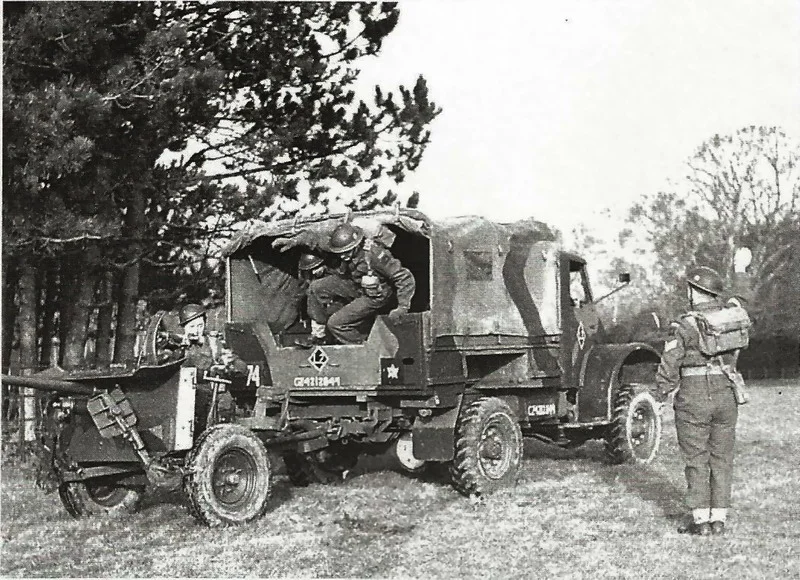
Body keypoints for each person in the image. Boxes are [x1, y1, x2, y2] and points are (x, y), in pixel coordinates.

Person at [656, 248, 753, 536]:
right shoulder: (733, 315)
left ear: (696, 292)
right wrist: (740, 269)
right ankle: (719, 519)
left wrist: (661, 395)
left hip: (694, 396)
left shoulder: (686, 324)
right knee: (722, 457)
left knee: (696, 458)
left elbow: (670, 362)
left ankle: (700, 522)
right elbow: (743, 299)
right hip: (726, 393)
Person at [302, 223, 416, 345]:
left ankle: (362, 345)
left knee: (336, 324)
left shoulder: (375, 255)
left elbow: (404, 277)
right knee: (315, 287)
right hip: (354, 284)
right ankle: (319, 335)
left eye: (347, 252)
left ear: (356, 246)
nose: (343, 256)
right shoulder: (344, 252)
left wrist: (403, 307)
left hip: (375, 295)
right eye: (340, 252)